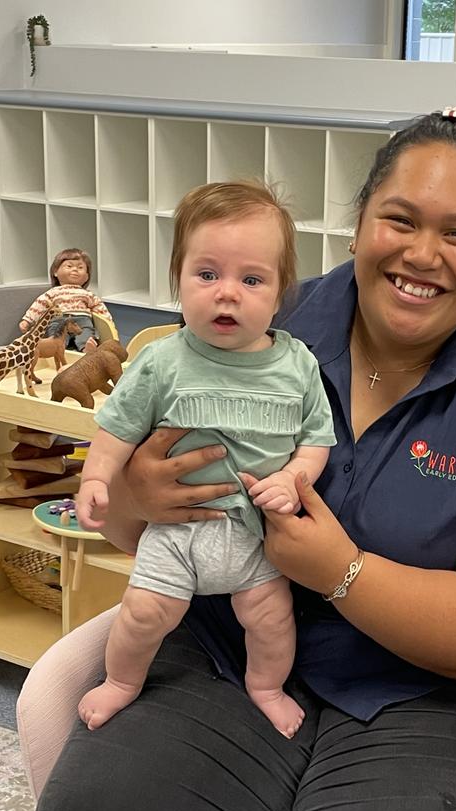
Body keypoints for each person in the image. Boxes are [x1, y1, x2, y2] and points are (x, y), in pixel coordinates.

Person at [20, 106, 456, 811]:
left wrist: (340, 571)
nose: (423, 254)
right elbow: (129, 524)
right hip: (229, 654)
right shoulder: (251, 316)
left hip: (439, 696)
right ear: (360, 224)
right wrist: (136, 496)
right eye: (400, 219)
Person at [75, 181, 336, 738]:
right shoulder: (162, 362)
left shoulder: (297, 365)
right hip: (174, 532)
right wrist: (96, 476)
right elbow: (116, 429)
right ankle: (122, 682)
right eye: (207, 274)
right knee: (144, 614)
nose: (227, 294)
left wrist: (293, 478)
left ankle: (264, 686)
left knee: (270, 620)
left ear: (280, 290)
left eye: (251, 279)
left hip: (253, 533)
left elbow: (317, 438)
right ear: (179, 278)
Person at [18, 247, 114, 352]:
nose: (75, 269)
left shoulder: (87, 294)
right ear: (55, 272)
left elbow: (100, 308)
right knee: (55, 334)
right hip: (59, 319)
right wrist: (27, 320)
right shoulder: (53, 292)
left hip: (82, 319)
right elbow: (39, 305)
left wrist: (109, 324)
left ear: (86, 277)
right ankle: (59, 348)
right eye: (69, 266)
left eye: (80, 267)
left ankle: (86, 348)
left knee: (87, 332)